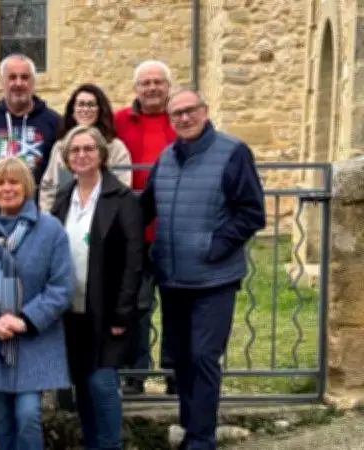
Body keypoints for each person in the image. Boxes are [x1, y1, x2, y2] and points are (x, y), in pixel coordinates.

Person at [140, 87, 266, 450]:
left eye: (189, 110)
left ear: (204, 111)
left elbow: (252, 212)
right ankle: (190, 427)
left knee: (204, 357)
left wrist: (215, 246)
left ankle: (201, 439)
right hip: (174, 277)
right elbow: (144, 207)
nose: (183, 117)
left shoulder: (232, 152)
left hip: (215, 278)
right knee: (180, 358)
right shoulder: (165, 158)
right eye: (175, 113)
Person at [0, 156, 75, 450]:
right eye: (0, 182)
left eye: (14, 181)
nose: (7, 188)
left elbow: (61, 285)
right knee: (4, 419)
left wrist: (25, 319)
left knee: (28, 414)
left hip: (34, 337)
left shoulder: (50, 229)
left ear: (27, 186)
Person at [50, 126, 143, 450]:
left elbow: (133, 259)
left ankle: (110, 445)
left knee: (102, 383)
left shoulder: (122, 199)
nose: (82, 155)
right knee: (82, 386)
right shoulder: (64, 199)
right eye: (75, 150)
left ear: (102, 154)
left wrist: (123, 312)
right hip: (70, 310)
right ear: (67, 157)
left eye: (89, 148)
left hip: (106, 311)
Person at [114, 59, 178, 395]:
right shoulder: (119, 120)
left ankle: (173, 373)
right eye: (145, 83)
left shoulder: (181, 119)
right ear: (136, 88)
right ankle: (135, 375)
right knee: (137, 307)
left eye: (158, 82)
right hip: (135, 234)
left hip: (174, 232)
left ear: (168, 86)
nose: (152, 88)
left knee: (175, 305)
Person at [39, 83, 131, 212]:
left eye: (91, 105)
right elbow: (48, 187)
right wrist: (48, 217)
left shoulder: (116, 148)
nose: (86, 109)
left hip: (104, 217)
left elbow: (123, 186)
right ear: (73, 111)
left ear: (100, 110)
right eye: (81, 104)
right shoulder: (60, 147)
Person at [0, 54, 61, 184]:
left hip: (40, 202)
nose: (19, 83)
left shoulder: (55, 123)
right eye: (12, 77)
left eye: (25, 77)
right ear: (2, 81)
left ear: (33, 81)